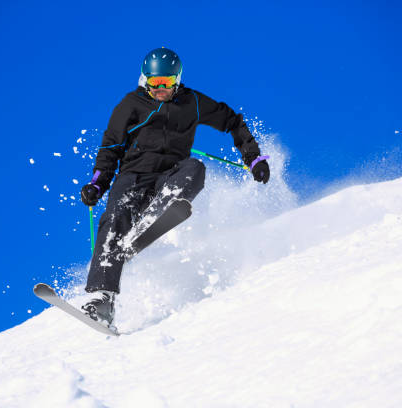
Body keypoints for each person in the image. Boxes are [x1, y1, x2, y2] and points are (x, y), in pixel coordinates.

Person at [80, 47, 270, 327]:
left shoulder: (192, 101)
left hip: (169, 176)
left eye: (167, 83)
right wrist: (97, 185)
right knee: (114, 219)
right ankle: (102, 300)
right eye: (154, 83)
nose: (160, 89)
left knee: (196, 168)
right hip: (133, 176)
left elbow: (232, 121)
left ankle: (160, 209)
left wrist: (253, 157)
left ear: (177, 80)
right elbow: (110, 147)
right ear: (144, 80)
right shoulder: (130, 104)